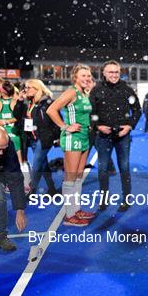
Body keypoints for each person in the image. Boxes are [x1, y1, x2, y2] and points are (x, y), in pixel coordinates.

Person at [88, 60, 142, 212]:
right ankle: (104, 199)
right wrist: (98, 126)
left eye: (116, 72)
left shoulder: (127, 90)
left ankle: (126, 199)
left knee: (124, 168)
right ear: (104, 73)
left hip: (122, 136)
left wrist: (129, 126)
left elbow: (137, 110)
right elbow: (90, 113)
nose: (114, 75)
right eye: (110, 72)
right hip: (103, 136)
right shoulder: (96, 90)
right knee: (103, 169)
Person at [47, 64, 95, 226]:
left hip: (84, 137)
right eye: (83, 76)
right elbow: (51, 109)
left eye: (88, 76)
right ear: (75, 77)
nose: (87, 78)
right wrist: (65, 126)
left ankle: (76, 210)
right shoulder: (71, 92)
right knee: (71, 177)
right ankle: (69, 215)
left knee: (79, 176)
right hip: (72, 137)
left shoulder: (84, 93)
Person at [13, 79, 60, 196]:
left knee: (37, 164)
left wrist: (56, 137)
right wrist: (19, 101)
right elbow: (17, 115)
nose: (25, 90)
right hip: (32, 138)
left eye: (29, 88)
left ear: (37, 89)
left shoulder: (47, 102)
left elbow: (57, 120)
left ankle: (31, 191)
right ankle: (52, 189)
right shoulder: (28, 103)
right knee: (43, 164)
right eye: (25, 87)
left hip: (44, 137)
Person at [0, 124, 28, 251]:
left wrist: (20, 210)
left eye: (3, 149)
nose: (1, 153)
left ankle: (0, 236)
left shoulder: (7, 146)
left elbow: (15, 176)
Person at [0, 81, 28, 181]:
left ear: (2, 91)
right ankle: (25, 182)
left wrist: (3, 122)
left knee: (4, 159)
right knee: (20, 160)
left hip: (2, 136)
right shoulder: (15, 102)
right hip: (15, 134)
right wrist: (9, 121)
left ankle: (5, 181)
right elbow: (20, 117)